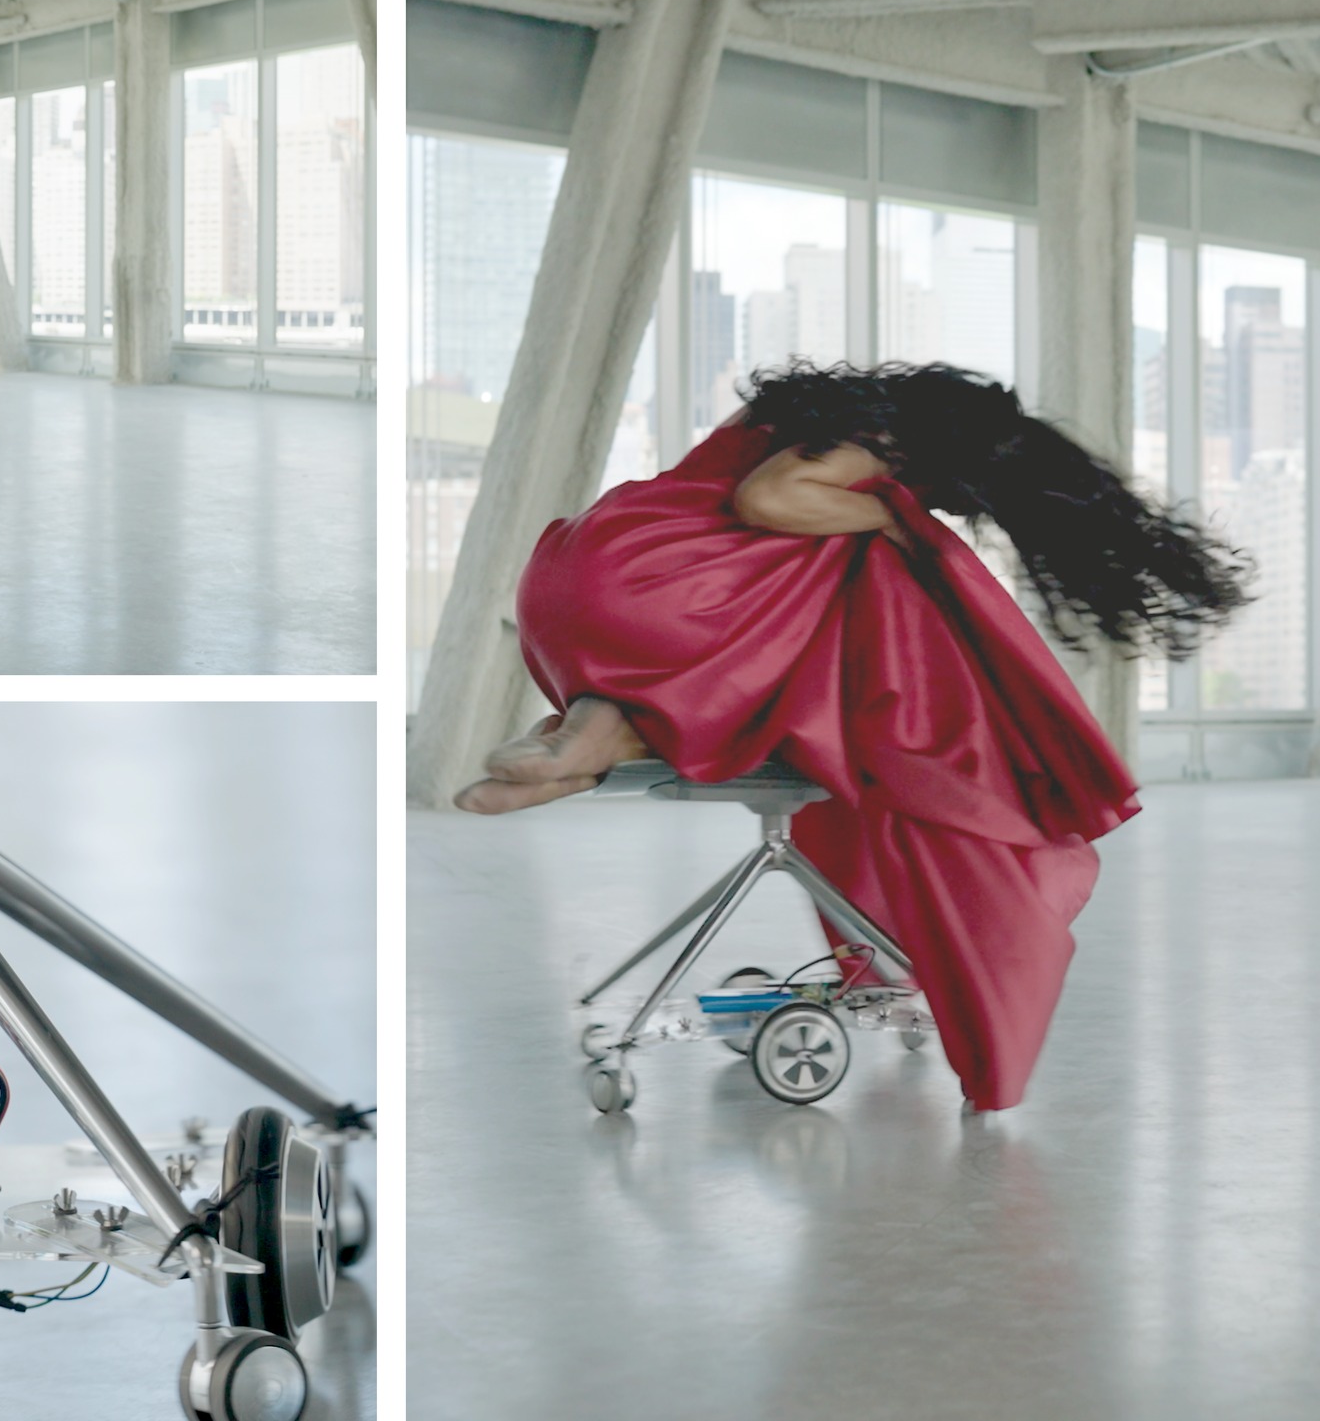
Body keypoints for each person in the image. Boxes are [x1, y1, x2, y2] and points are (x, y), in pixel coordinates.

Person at [457, 361, 1250, 1111]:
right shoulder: (875, 445)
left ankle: (575, 744)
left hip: (579, 589)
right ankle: (600, 736)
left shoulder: (795, 413)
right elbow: (770, 500)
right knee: (872, 566)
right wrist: (898, 522)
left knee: (828, 573)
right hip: (663, 598)